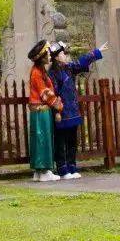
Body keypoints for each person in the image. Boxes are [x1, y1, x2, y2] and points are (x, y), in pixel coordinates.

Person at [48, 41, 106, 179]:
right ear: (56, 57)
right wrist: (56, 112)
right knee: (60, 140)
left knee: (72, 140)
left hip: (72, 110)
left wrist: (96, 52)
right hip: (61, 111)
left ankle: (72, 167)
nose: (65, 56)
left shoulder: (69, 68)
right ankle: (62, 169)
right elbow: (53, 93)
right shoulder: (52, 73)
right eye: (62, 53)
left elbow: (81, 63)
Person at [27, 40, 62, 182]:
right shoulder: (37, 72)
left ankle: (39, 171)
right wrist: (58, 105)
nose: (49, 56)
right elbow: (45, 93)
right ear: (42, 57)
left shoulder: (39, 70)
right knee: (43, 139)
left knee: (39, 138)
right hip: (41, 110)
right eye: (47, 54)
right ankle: (44, 170)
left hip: (39, 110)